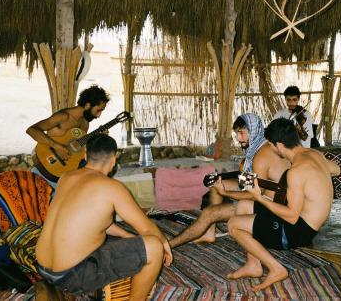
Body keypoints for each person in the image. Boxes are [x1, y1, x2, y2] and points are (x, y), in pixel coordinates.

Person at [35, 134, 172, 299]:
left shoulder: (66, 177)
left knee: (123, 241)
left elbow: (97, 221)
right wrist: (164, 245)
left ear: (86, 155)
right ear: (114, 160)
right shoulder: (112, 187)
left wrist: (128, 236)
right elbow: (147, 228)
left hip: (42, 269)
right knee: (153, 247)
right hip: (72, 276)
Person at [226, 118, 340, 291]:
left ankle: (276, 268)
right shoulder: (314, 155)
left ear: (278, 145)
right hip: (309, 220)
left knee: (233, 225)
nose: (270, 149)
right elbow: (337, 169)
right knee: (242, 206)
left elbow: (292, 217)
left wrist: (260, 198)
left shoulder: (296, 172)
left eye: (271, 145)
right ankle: (253, 265)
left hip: (298, 231)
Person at [169, 113, 290, 248]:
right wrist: (225, 184)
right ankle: (209, 232)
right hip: (261, 197)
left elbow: (253, 194)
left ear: (254, 131)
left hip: (268, 209)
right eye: (236, 133)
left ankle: (169, 245)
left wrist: (226, 193)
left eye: (241, 133)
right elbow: (248, 184)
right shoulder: (257, 150)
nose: (238, 138)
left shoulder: (261, 156)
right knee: (217, 183)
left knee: (209, 213)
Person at [26, 85, 110, 186]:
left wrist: (97, 138)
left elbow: (79, 148)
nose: (99, 115)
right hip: (43, 170)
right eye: (98, 110)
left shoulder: (85, 123)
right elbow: (31, 130)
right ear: (88, 105)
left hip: (63, 175)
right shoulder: (63, 117)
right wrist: (56, 146)